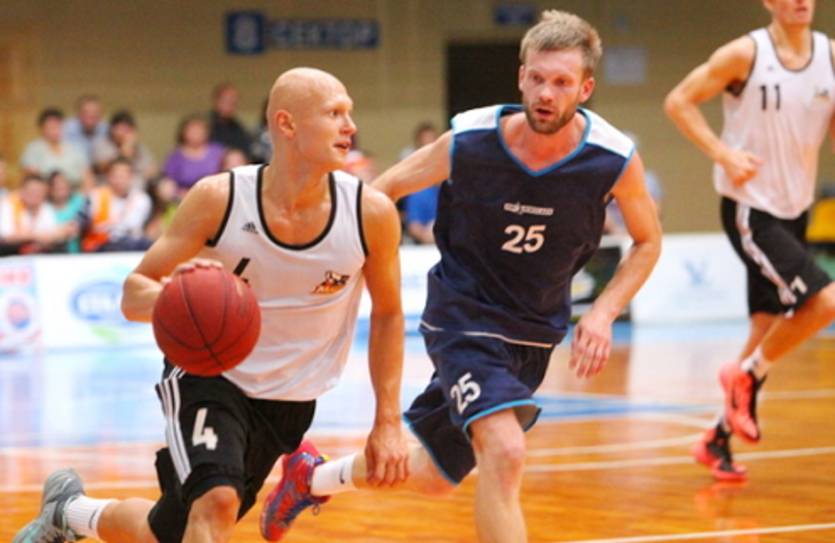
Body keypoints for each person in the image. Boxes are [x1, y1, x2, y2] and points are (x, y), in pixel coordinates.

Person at [261, 10, 662, 543]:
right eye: (537, 78)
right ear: (521, 76)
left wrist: (604, 313)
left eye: (562, 82)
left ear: (585, 89)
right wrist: (324, 256)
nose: (546, 93)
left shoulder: (611, 159)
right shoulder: (472, 140)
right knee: (506, 450)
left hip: (534, 334)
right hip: (464, 319)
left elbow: (648, 240)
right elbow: (383, 192)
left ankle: (312, 478)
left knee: (432, 474)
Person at [14, 67, 407, 543]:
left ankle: (69, 511)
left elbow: (388, 314)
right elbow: (134, 293)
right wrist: (179, 298)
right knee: (215, 503)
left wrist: (388, 420)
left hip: (290, 399)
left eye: (350, 113)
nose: (350, 126)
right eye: (335, 113)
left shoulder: (370, 214)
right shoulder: (221, 199)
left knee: (168, 531)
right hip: (210, 374)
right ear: (286, 124)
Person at [664, 0, 835, 482]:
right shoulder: (745, 54)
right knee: (823, 303)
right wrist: (723, 153)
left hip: (795, 207)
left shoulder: (829, 56)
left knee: (767, 327)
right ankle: (744, 374)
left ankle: (716, 438)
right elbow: (678, 101)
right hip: (750, 209)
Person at [81, 158, 153, 252]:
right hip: (102, 246)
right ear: (108, 177)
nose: (119, 180)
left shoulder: (141, 199)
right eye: (115, 176)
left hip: (133, 245)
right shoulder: (96, 197)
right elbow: (89, 227)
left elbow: (137, 226)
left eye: (123, 176)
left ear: (131, 177)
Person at [20, 108, 94, 193]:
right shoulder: (34, 149)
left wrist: (83, 195)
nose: (55, 130)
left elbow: (87, 177)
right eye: (50, 127)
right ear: (42, 128)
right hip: (45, 196)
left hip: (75, 194)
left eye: (58, 126)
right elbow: (31, 178)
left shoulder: (75, 148)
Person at [92, 110, 158, 188]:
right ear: (112, 129)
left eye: (127, 129)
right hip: (108, 185)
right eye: (120, 129)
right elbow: (101, 167)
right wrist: (123, 153)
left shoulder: (138, 147)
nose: (123, 133)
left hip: (136, 185)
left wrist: (149, 172)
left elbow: (152, 167)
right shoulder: (102, 144)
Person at [163, 114, 226, 195]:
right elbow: (168, 179)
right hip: (183, 196)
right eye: (192, 130)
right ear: (183, 132)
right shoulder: (175, 156)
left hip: (215, 193)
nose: (196, 133)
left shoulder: (218, 152)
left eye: (199, 129)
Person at [209, 82, 253, 156]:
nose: (230, 105)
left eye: (233, 102)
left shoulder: (239, 129)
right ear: (216, 101)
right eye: (226, 101)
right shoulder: (205, 125)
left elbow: (246, 151)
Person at [48, 170, 86, 253]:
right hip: (53, 254)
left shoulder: (78, 201)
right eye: (57, 185)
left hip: (77, 253)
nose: (62, 186)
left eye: (64, 183)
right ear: (50, 189)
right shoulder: (46, 208)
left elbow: (79, 225)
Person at [63, 94, 108, 162]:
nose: (90, 115)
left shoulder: (106, 129)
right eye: (86, 112)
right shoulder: (66, 129)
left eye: (95, 112)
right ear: (78, 114)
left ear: (100, 115)